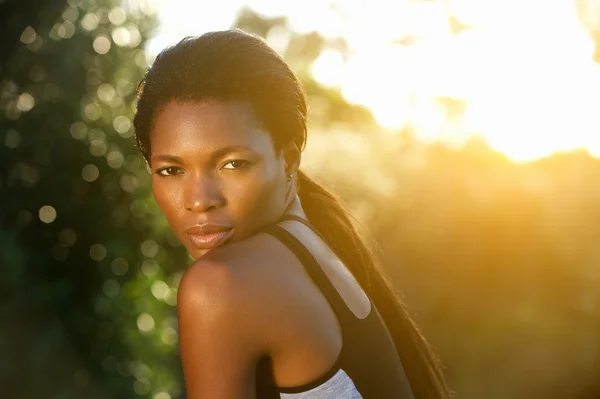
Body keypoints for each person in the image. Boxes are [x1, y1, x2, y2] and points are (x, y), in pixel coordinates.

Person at [133, 29, 450, 399]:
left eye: (232, 164)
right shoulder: (318, 244)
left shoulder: (220, 286)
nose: (200, 200)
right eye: (172, 170)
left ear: (289, 159)